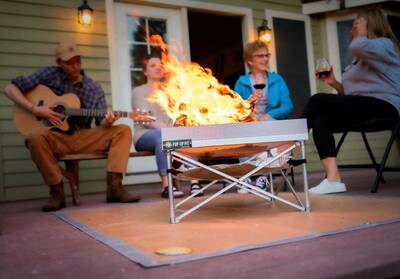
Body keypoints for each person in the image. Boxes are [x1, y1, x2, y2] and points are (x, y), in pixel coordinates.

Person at [4, 42, 143, 211]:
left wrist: (108, 120)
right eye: (69, 62)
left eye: (78, 61)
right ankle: (56, 192)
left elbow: (100, 123)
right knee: (33, 137)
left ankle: (115, 187)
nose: (75, 66)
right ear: (59, 63)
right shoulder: (49, 75)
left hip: (82, 137)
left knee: (123, 130)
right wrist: (35, 109)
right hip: (55, 137)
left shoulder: (93, 88)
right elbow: (10, 89)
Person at [302, 9, 400, 195]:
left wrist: (361, 34)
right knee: (320, 119)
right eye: (355, 23)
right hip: (364, 107)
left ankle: (289, 145)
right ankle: (333, 179)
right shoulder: (359, 59)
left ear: (371, 23)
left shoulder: (384, 45)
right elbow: (350, 95)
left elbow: (358, 47)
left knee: (318, 100)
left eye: (359, 22)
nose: (354, 25)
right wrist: (334, 83)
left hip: (385, 106)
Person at [132, 55, 202, 198]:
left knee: (188, 134)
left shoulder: (169, 92)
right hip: (145, 136)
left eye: (160, 65)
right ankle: (167, 185)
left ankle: (195, 181)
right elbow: (147, 119)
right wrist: (169, 131)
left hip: (169, 134)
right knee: (162, 137)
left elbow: (176, 117)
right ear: (145, 72)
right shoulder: (139, 91)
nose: (158, 67)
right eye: (153, 65)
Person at [234, 40, 294, 193]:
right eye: (260, 56)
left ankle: (263, 175)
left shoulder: (276, 79)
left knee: (273, 130)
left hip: (270, 123)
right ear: (250, 61)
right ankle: (246, 176)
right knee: (242, 130)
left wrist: (269, 115)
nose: (265, 59)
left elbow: (287, 106)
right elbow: (236, 111)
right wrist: (249, 104)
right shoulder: (241, 83)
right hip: (250, 124)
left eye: (267, 55)